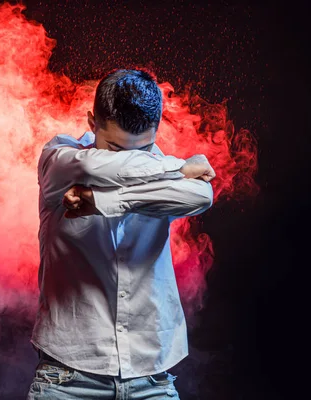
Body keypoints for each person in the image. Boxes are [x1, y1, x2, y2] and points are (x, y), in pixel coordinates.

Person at [26, 68, 216, 399]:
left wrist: (105, 201)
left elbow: (201, 196)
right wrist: (175, 168)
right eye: (115, 147)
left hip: (151, 378)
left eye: (141, 149)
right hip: (68, 379)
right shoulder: (60, 161)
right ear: (91, 122)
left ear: (155, 132)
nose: (129, 158)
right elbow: (90, 167)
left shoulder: (161, 165)